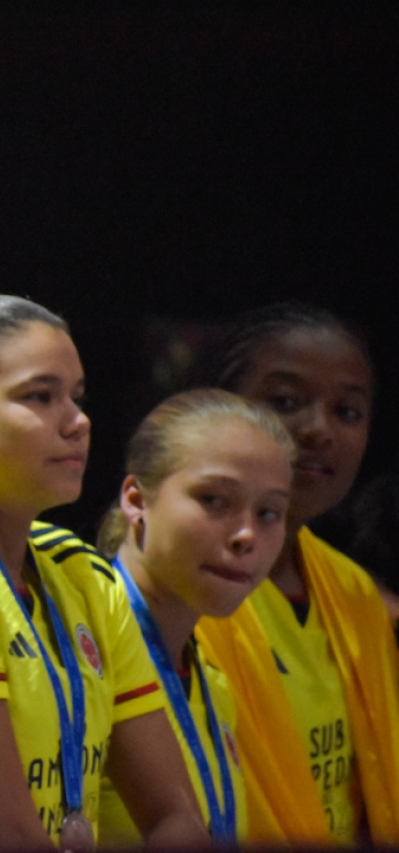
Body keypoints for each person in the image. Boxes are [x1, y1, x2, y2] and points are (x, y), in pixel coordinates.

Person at [0, 294, 207, 851]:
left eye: (77, 396)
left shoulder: (83, 574)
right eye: (39, 396)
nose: (77, 422)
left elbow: (176, 815)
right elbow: (5, 834)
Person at [195, 302, 399, 845]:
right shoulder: (169, 585)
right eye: (285, 402)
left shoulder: (355, 593)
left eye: (347, 412)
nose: (318, 430)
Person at [93, 389, 297, 845]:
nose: (246, 535)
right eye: (214, 499)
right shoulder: (77, 655)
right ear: (137, 499)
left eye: (269, 512)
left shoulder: (212, 682)